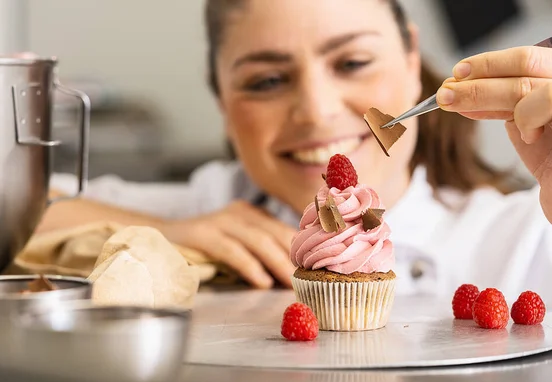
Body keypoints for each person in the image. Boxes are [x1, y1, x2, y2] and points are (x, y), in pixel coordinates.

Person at [43, 0, 552, 302]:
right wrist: (171, 233)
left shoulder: (525, 236)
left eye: (352, 62)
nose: (314, 109)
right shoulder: (216, 206)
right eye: (266, 80)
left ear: (411, 59)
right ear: (221, 98)